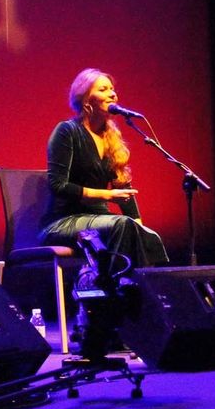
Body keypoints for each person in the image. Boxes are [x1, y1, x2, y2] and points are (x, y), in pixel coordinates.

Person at [42, 69, 168, 270]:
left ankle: (144, 292)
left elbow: (124, 189)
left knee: (145, 235)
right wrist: (107, 195)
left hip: (101, 221)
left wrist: (139, 226)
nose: (112, 94)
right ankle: (114, 288)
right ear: (85, 99)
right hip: (64, 222)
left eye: (112, 89)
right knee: (123, 225)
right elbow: (58, 185)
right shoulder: (67, 131)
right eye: (103, 89)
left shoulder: (111, 138)